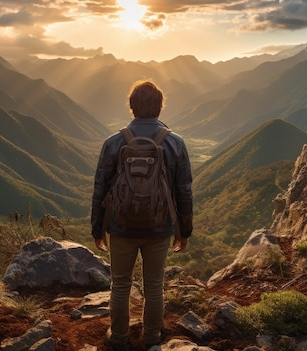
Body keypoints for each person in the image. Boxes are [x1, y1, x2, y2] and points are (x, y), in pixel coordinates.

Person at [91, 80, 193, 351]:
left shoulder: (114, 142)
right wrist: (184, 230)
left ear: (132, 106)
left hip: (120, 227)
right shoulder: (175, 143)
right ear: (160, 107)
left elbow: (100, 187)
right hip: (159, 228)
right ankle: (151, 339)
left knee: (120, 285)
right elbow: (184, 191)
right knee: (155, 286)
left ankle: (119, 338)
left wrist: (97, 229)